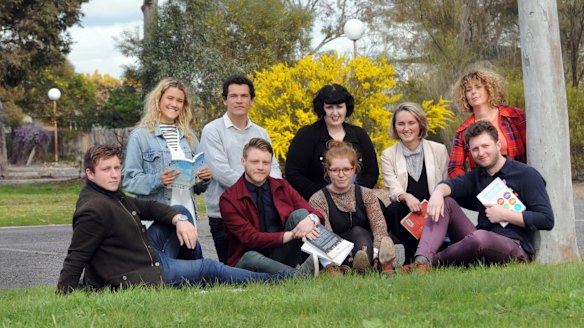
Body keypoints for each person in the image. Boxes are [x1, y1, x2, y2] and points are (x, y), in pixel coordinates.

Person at [57, 145, 318, 294]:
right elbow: (76, 256)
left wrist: (180, 218)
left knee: (179, 225)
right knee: (210, 268)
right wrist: (66, 293)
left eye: (116, 168)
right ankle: (286, 279)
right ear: (90, 174)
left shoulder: (112, 195)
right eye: (106, 170)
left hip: (143, 253)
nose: (114, 175)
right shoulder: (93, 209)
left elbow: (148, 206)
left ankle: (194, 284)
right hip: (139, 273)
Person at [400, 121, 554, 273]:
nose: (481, 153)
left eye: (485, 146)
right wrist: (438, 192)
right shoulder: (477, 176)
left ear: (498, 145)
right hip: (479, 242)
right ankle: (422, 260)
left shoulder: (526, 175)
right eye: (475, 149)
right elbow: (452, 185)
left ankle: (430, 265)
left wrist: (505, 214)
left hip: (514, 247)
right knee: (447, 202)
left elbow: (546, 219)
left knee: (480, 237)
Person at [199, 76, 282, 264]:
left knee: (264, 263)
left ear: (252, 100)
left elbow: (274, 168)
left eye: (244, 96)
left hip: (262, 211)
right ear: (224, 100)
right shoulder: (212, 130)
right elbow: (220, 171)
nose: (239, 100)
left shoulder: (261, 132)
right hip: (224, 214)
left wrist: (268, 191)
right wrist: (258, 189)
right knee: (235, 270)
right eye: (233, 95)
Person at [220, 138, 323, 274]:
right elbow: (251, 239)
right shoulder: (229, 199)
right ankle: (297, 275)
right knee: (251, 257)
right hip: (247, 262)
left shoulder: (281, 186)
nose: (261, 167)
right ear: (243, 161)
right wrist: (292, 235)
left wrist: (312, 220)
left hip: (280, 256)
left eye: (266, 162)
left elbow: (316, 214)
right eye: (255, 162)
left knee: (303, 215)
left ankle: (329, 261)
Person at [123, 78, 211, 235]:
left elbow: (198, 186)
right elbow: (129, 181)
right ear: (158, 99)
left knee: (187, 257)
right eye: (170, 98)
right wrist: (159, 179)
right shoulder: (140, 136)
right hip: (156, 216)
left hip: (187, 211)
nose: (174, 104)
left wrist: (205, 178)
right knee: (160, 258)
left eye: (179, 100)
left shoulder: (190, 136)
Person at [309, 141, 396, 274]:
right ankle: (353, 266)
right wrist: (341, 254)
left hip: (366, 243)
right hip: (336, 249)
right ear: (327, 170)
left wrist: (378, 249)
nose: (341, 174)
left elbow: (379, 227)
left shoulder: (366, 194)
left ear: (354, 169)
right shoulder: (318, 199)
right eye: (335, 170)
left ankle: (373, 260)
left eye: (346, 169)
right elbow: (327, 235)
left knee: (359, 233)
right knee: (337, 243)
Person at [380, 102, 449, 263]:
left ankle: (430, 255)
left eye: (411, 123)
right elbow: (393, 187)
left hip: (433, 207)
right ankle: (412, 257)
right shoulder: (388, 155)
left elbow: (446, 182)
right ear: (395, 127)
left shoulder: (439, 149)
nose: (406, 128)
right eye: (401, 124)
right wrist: (406, 196)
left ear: (420, 124)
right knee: (393, 210)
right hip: (406, 209)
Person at [285, 84, 379, 201]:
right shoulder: (307, 135)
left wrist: (354, 195)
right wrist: (322, 197)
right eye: (329, 107)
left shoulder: (360, 135)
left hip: (356, 200)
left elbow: (371, 173)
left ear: (346, 108)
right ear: (322, 108)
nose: (335, 113)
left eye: (339, 107)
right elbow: (293, 172)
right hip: (316, 202)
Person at [449, 67, 526, 179]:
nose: (473, 92)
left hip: (520, 181)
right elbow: (454, 168)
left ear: (489, 89)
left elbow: (535, 148)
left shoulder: (514, 115)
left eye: (478, 87)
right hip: (487, 189)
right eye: (468, 90)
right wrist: (472, 186)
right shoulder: (463, 131)